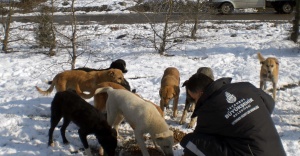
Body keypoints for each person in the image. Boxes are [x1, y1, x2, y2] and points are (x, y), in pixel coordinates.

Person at [180, 73, 286, 156]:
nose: (193, 102)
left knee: (191, 142)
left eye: (193, 99)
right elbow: (270, 104)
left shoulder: (207, 110)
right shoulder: (246, 87)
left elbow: (199, 137)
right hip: (277, 151)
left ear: (201, 94)